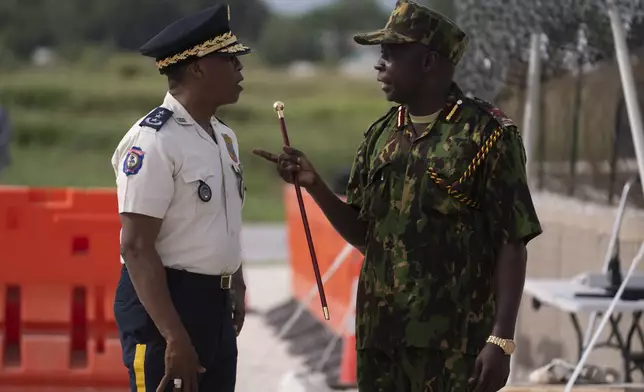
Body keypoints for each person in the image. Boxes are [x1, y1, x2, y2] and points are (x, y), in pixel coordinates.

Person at [253, 1, 543, 391]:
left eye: (391, 53)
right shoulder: (380, 136)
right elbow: (364, 235)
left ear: (428, 61)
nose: (379, 64)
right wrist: (315, 186)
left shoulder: (487, 136)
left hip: (454, 346)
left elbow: (512, 241)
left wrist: (501, 339)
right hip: (382, 341)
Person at [111, 4, 250, 392]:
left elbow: (220, 223)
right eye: (231, 60)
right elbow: (137, 247)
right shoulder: (154, 140)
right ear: (198, 67)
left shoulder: (223, 137)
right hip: (166, 306)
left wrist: (235, 282)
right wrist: (173, 336)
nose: (241, 71)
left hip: (214, 305)